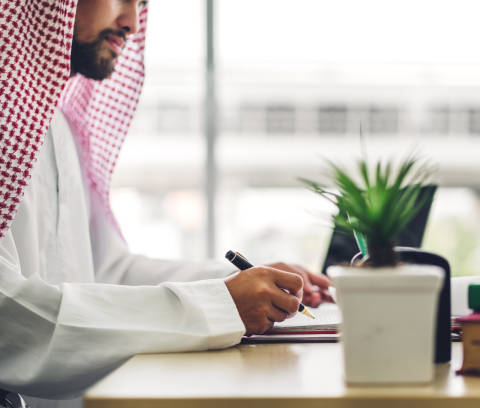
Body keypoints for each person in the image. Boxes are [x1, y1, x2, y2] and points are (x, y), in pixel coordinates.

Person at [0, 1, 331, 407]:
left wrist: (249, 283)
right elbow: (10, 322)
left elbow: (108, 272)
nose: (132, 23)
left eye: (140, 4)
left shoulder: (55, 123)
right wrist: (221, 304)